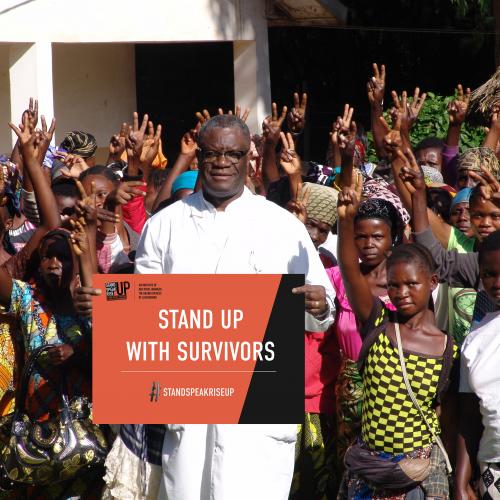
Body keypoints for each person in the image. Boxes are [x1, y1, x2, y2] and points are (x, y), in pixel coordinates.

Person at [107, 114, 336, 500]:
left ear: (250, 157)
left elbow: (320, 309)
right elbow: (143, 312)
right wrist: (109, 303)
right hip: (188, 405)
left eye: (233, 153)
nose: (222, 161)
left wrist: (318, 302)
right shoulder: (165, 226)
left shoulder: (282, 227)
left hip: (259, 409)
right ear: (199, 156)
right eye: (213, 153)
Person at [336, 173, 457, 498]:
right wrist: (345, 222)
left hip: (418, 475)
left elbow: (450, 415)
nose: (401, 293)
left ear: (432, 283)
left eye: (411, 284)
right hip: (369, 470)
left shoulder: (448, 349)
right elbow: (349, 268)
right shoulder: (378, 322)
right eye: (394, 285)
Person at [455, 229, 500, 499]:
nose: (497, 283)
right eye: (488, 274)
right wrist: (461, 482)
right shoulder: (475, 338)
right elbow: (469, 419)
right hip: (493, 471)